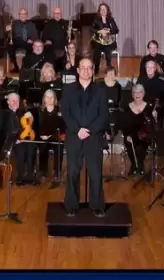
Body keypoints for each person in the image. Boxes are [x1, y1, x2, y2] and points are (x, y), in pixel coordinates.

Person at [60, 58, 111, 217]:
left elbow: (103, 115)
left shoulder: (100, 90)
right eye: (83, 68)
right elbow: (66, 113)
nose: (86, 71)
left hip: (93, 137)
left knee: (95, 173)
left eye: (89, 68)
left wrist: (89, 130)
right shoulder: (68, 89)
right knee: (73, 172)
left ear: (93, 70)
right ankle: (71, 205)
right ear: (78, 70)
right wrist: (77, 130)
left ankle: (97, 205)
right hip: (74, 137)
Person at [0, 93, 37, 185]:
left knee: (31, 147)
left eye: (16, 100)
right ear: (8, 102)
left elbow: (28, 128)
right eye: (12, 100)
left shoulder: (23, 113)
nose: (14, 102)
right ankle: (20, 177)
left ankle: (30, 175)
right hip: (9, 140)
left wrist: (31, 118)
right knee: (21, 149)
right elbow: (0, 131)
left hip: (22, 139)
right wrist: (16, 138)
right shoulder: (3, 113)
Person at [122, 84, 157, 176]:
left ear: (143, 94)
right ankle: (134, 165)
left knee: (141, 145)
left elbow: (152, 125)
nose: (137, 94)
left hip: (144, 134)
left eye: (140, 92)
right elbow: (124, 124)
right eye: (135, 92)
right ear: (132, 95)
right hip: (130, 133)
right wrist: (127, 135)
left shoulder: (149, 108)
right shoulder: (127, 107)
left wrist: (155, 117)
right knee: (129, 142)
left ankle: (140, 165)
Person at [36, 89, 66, 188]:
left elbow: (63, 127)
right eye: (47, 97)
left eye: (51, 97)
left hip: (56, 137)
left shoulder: (60, 110)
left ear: (55, 99)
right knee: (43, 146)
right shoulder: (40, 111)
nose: (49, 99)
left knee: (59, 146)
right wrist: (41, 135)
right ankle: (43, 172)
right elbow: (36, 126)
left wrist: (55, 135)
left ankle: (57, 172)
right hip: (43, 137)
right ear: (44, 99)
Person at [6, 7, 38, 72]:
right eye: (21, 14)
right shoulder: (14, 23)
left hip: (28, 43)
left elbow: (35, 35)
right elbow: (9, 35)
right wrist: (7, 30)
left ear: (27, 15)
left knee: (32, 48)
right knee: (9, 46)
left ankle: (27, 67)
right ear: (19, 15)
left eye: (24, 14)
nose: (23, 15)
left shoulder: (31, 24)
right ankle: (15, 65)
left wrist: (32, 39)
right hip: (17, 43)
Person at [90, 3, 120, 72]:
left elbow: (116, 30)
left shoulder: (111, 19)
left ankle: (109, 67)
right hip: (99, 42)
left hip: (109, 42)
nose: (103, 10)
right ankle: (96, 67)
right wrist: (100, 31)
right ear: (99, 11)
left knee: (108, 48)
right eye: (101, 9)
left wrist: (108, 31)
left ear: (107, 10)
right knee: (97, 50)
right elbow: (91, 29)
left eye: (104, 9)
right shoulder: (96, 19)